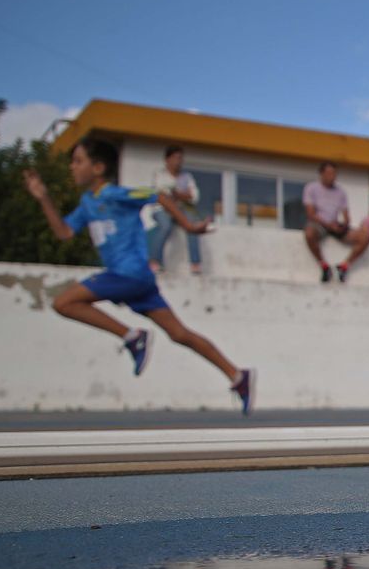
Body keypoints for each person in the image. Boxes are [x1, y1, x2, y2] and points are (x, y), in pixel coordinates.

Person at [22, 137, 254, 414]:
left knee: (64, 302)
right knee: (179, 333)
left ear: (98, 168)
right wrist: (43, 198)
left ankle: (131, 336)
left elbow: (159, 196)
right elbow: (64, 232)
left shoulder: (114, 194)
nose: (72, 167)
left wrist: (189, 227)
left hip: (128, 275)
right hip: (137, 281)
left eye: (78, 161)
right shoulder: (87, 203)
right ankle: (237, 375)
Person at [303, 161, 369, 283]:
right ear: (321, 174)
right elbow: (311, 214)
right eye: (329, 173)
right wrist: (328, 225)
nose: (332, 176)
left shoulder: (340, 192)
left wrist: (343, 225)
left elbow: (346, 216)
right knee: (309, 233)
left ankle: (344, 266)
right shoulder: (311, 188)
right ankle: (324, 266)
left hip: (335, 226)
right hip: (319, 225)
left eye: (334, 174)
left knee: (365, 236)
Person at [147, 145, 202, 275]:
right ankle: (154, 262)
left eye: (180, 158)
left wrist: (178, 195)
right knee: (165, 226)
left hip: (181, 210)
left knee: (192, 225)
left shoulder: (187, 177)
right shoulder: (159, 175)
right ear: (167, 159)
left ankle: (195, 264)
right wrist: (182, 195)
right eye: (175, 158)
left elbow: (195, 196)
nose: (178, 161)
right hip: (162, 209)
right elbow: (160, 195)